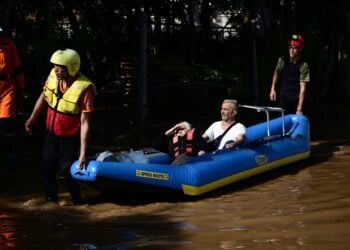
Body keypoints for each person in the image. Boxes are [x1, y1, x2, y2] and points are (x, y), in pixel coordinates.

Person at [25, 48, 97, 205]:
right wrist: (32, 119)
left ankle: (78, 204)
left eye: (60, 67)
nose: (56, 70)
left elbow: (85, 123)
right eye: (55, 66)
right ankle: (52, 204)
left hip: (70, 139)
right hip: (51, 135)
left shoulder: (84, 88)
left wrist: (82, 154)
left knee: (66, 174)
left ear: (71, 67)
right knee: (47, 170)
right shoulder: (53, 76)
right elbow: (44, 97)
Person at [0, 25, 26, 167]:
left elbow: (18, 68)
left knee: (6, 122)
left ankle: (11, 154)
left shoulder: (9, 45)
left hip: (7, 87)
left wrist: (21, 88)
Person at [269, 34, 310, 115]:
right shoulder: (282, 59)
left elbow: (303, 88)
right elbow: (276, 72)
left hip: (296, 98)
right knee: (281, 119)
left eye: (294, 48)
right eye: (290, 47)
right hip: (284, 96)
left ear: (300, 49)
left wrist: (299, 107)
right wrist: (272, 88)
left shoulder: (303, 65)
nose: (291, 50)